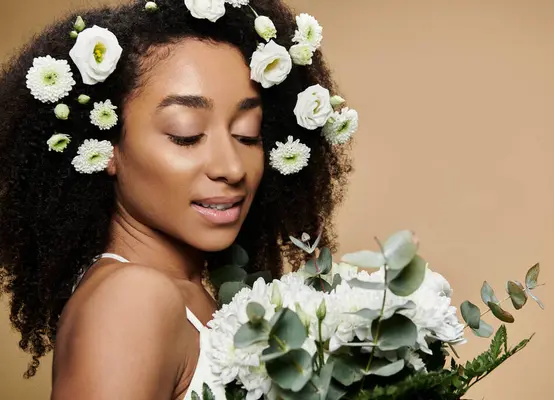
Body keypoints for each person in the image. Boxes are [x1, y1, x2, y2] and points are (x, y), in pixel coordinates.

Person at [0, 0, 358, 398]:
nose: (231, 167)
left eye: (247, 134)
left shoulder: (187, 292)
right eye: (185, 134)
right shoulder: (133, 300)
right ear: (107, 148)